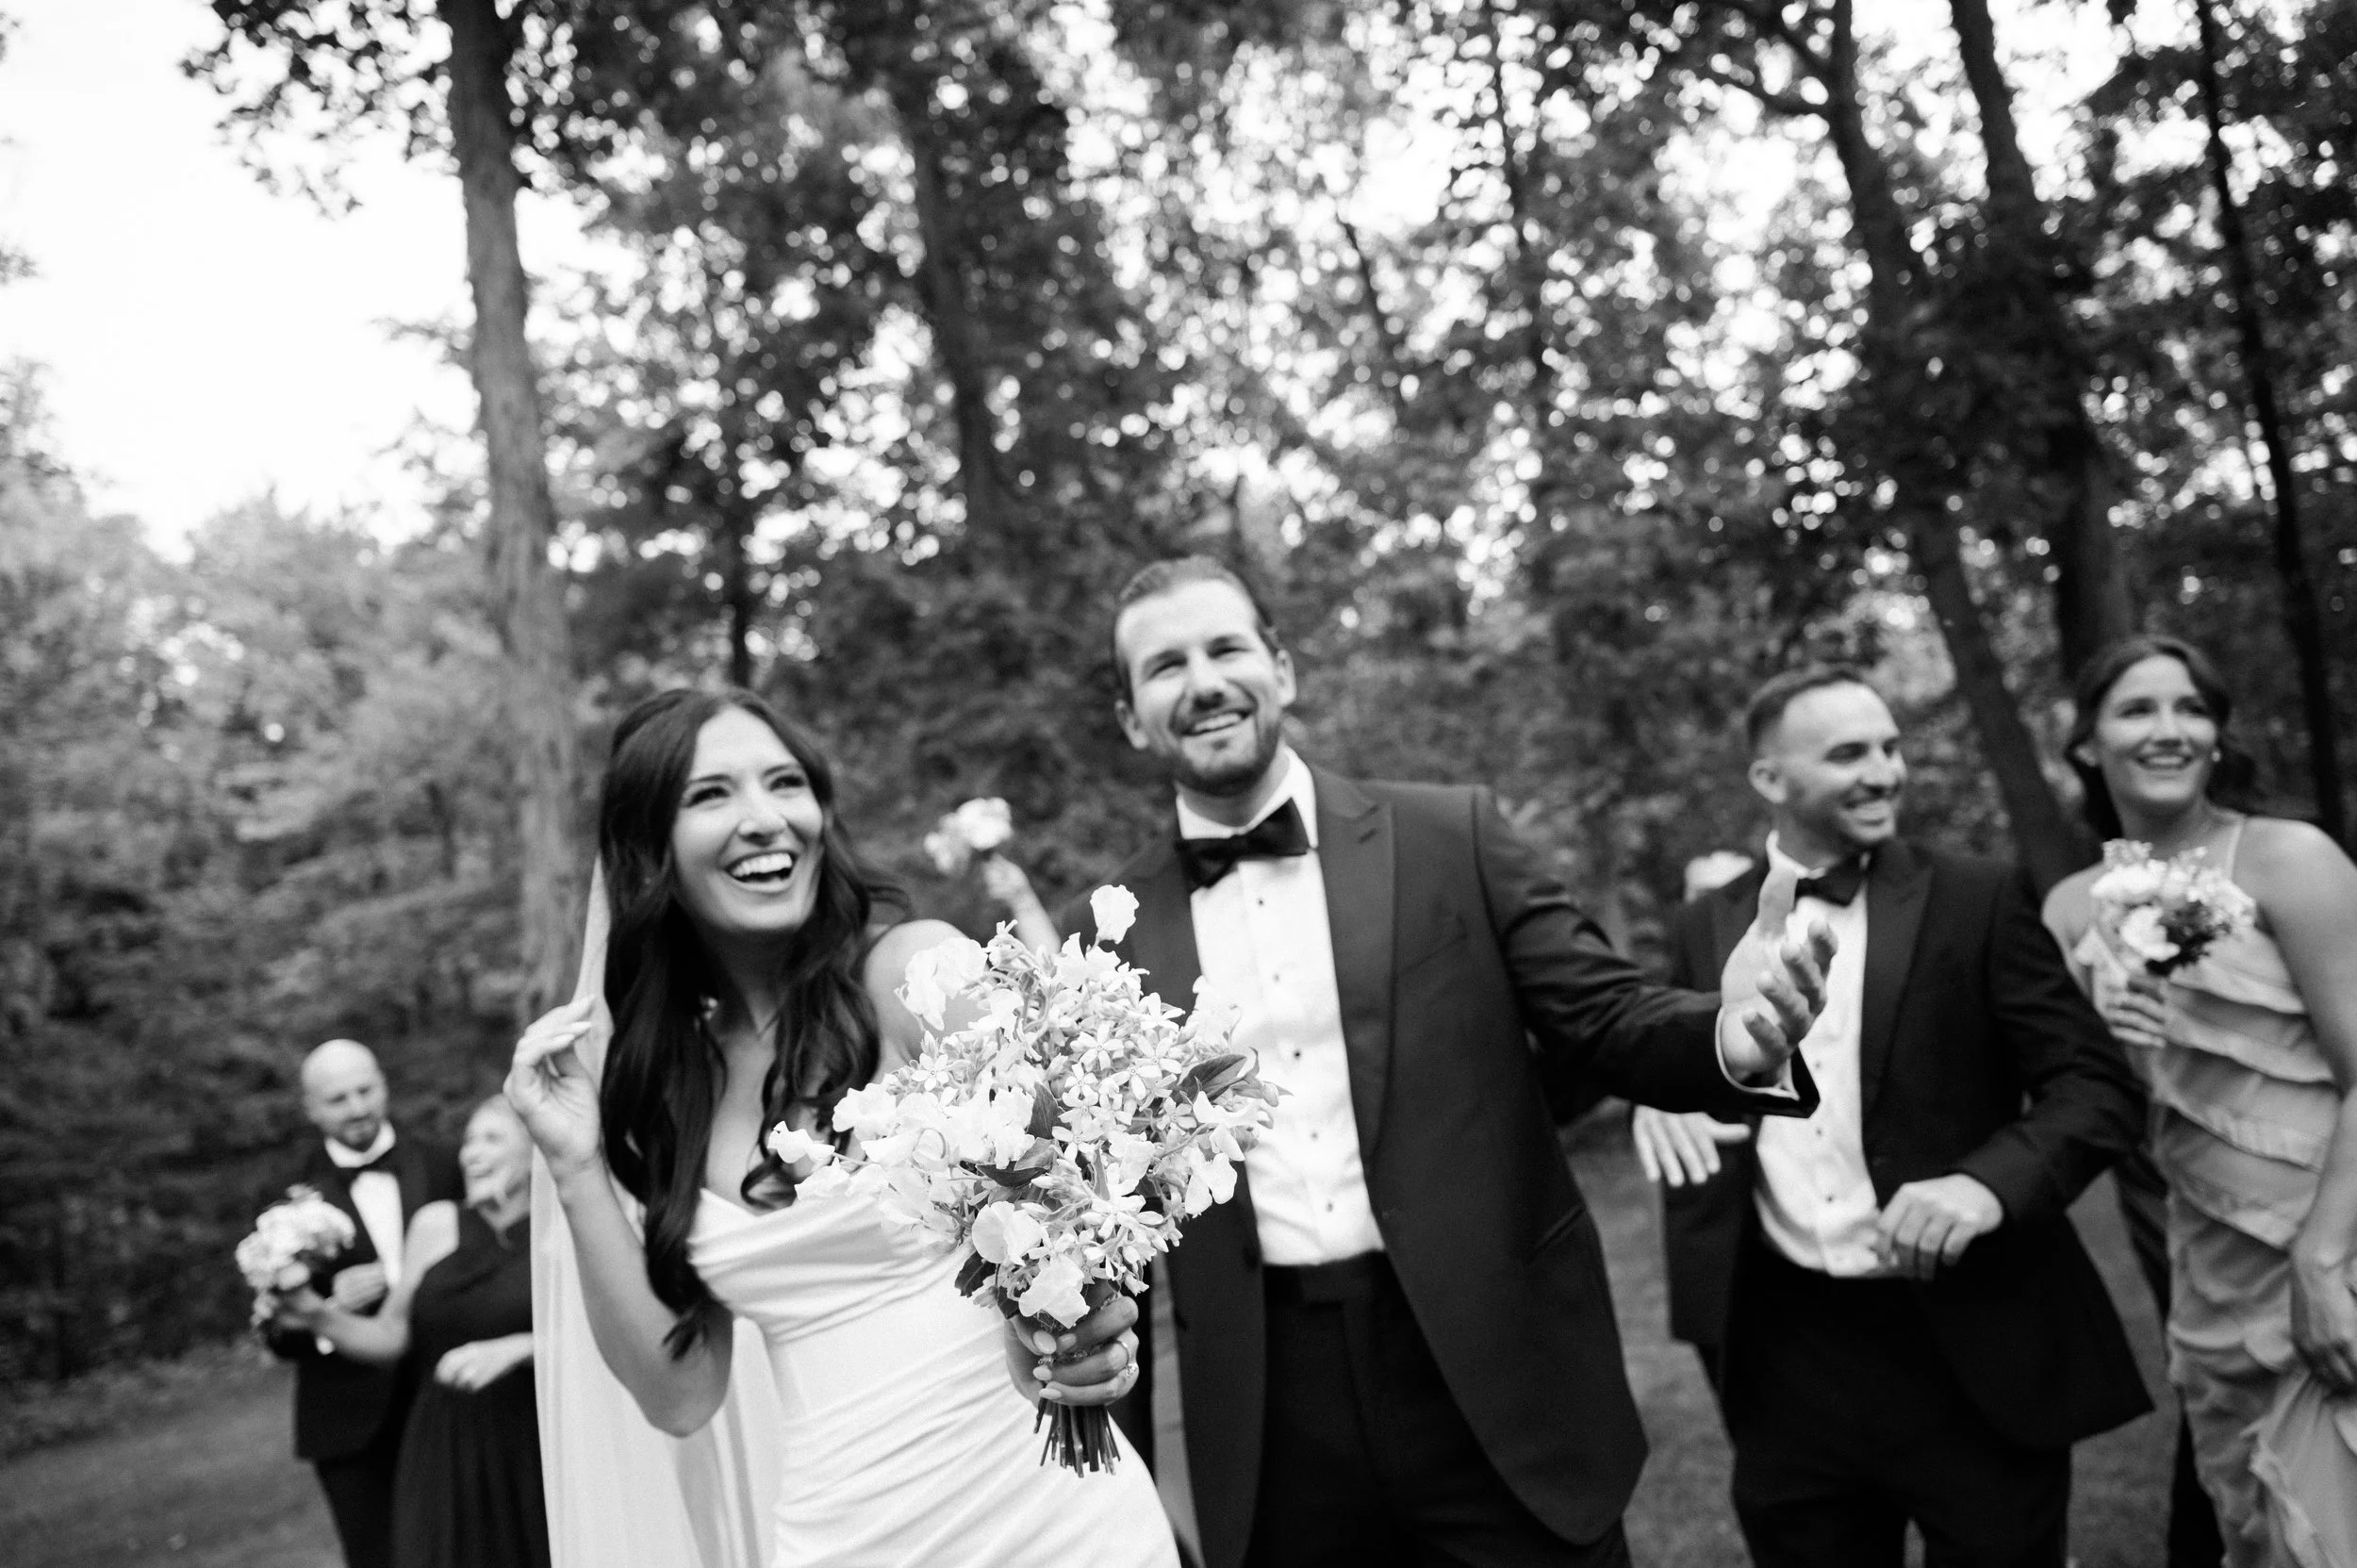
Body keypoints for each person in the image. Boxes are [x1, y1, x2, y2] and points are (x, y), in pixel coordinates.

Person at [1043, 556, 1837, 1568]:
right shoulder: (1098, 933)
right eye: (1164, 666)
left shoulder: (1451, 832)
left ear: (1281, 669)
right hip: (1271, 1410)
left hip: (1493, 1367)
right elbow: (1102, 1205)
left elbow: (1604, 1015)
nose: (1201, 681)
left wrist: (1731, 1035)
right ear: (1130, 718)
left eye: (1226, 647)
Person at [504, 687, 1177, 1568]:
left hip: (1046, 1512)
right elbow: (680, 1395)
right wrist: (577, 1165)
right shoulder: (665, 1093)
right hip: (838, 1538)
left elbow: (1086, 1199)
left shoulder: (914, 972)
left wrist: (1060, 1339)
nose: (765, 818)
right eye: (711, 795)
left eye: (785, 782)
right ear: (648, 847)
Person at [1633, 665, 2151, 1567]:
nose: (1884, 771)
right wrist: (1655, 1098)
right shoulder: (1702, 923)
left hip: (1970, 1337)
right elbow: (1673, 1054)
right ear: (1769, 779)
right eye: (1848, 753)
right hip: (1782, 1348)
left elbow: (2096, 1085)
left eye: (1890, 746)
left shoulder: (1979, 896)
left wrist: (1985, 1185)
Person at [2044, 635, 2357, 1568]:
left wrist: (2324, 1255)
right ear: (2088, 745)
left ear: (2217, 737)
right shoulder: (2067, 910)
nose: (2169, 729)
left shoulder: (2288, 858)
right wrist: (2114, 1041)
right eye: (2136, 709)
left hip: (2335, 1234)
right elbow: (2096, 1108)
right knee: (2261, 1534)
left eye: (2190, 709)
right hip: (2209, 1266)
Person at [273, 1096, 551, 1568]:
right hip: (444, 1443)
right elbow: (392, 1335)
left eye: (492, 1139)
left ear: (535, 1152)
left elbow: (605, 1341)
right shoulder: (435, 1225)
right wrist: (316, 1313)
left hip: (537, 1440)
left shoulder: (563, 1230)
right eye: (468, 1140)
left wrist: (526, 1347)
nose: (471, 1153)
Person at [267, 1039, 460, 1568]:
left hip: (451, 1402)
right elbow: (275, 1333)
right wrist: (327, 1308)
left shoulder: (448, 1164)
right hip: (349, 1425)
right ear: (310, 1108)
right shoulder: (285, 1197)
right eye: (337, 1099)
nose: (357, 1108)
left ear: (384, 1084)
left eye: (365, 1090)